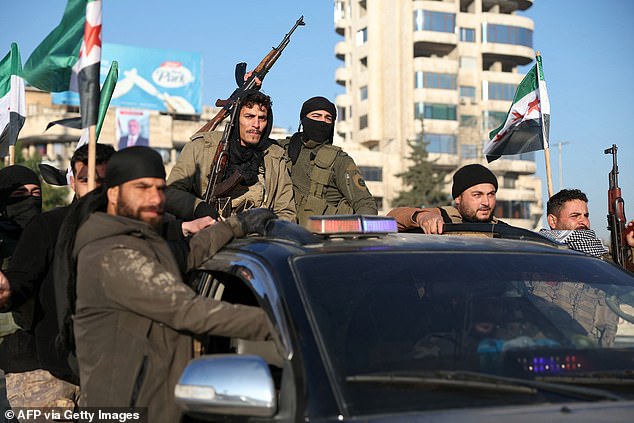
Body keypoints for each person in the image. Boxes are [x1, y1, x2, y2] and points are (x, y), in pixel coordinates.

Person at [65, 146, 277, 422]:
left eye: (160, 188)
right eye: (142, 187)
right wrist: (282, 321)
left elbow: (186, 255)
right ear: (114, 193)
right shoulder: (112, 254)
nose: (155, 198)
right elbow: (188, 310)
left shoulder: (140, 240)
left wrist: (235, 226)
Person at [0, 144, 115, 412]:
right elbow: (18, 288)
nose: (29, 200)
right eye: (18, 195)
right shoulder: (40, 230)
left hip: (91, 365)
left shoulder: (53, 227)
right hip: (29, 363)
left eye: (35, 193)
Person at [166, 89, 296, 221]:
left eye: (262, 118)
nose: (256, 125)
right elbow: (171, 192)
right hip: (206, 233)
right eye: (249, 117)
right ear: (235, 118)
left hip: (256, 236)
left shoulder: (273, 156)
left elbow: (286, 211)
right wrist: (198, 208)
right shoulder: (202, 146)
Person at [281, 96, 377, 225]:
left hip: (327, 239)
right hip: (287, 236)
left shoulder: (340, 161)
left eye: (328, 118)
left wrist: (357, 236)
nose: (322, 121)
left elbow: (365, 204)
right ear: (303, 120)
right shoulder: (283, 149)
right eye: (316, 116)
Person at [388, 163, 502, 233]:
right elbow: (392, 218)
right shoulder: (442, 218)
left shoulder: (503, 231)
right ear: (458, 198)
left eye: (491, 194)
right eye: (477, 195)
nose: (486, 202)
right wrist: (421, 216)